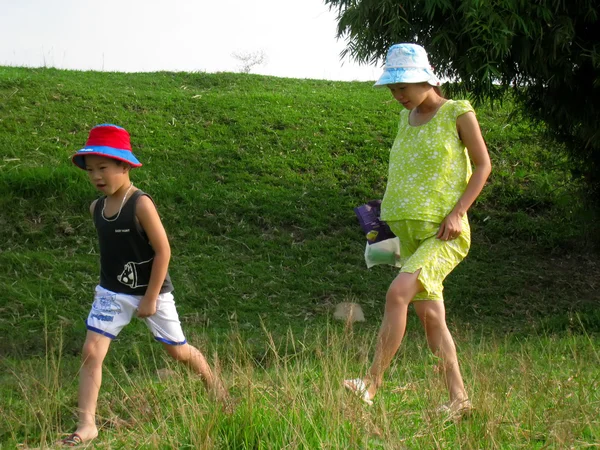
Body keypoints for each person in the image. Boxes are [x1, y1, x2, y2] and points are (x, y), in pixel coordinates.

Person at [344, 43, 492, 417]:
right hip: (408, 233)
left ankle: (371, 384)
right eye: (393, 89)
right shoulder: (404, 120)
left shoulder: (457, 112)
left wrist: (459, 212)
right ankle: (460, 400)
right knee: (431, 318)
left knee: (397, 295)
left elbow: (482, 166)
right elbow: (408, 174)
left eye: (403, 86)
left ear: (426, 77)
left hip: (444, 235)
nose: (398, 95)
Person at [60, 124, 228, 446]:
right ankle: (87, 424)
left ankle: (214, 385)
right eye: (91, 170)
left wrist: (150, 297)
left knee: (177, 350)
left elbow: (163, 251)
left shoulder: (140, 204)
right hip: (112, 291)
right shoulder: (96, 208)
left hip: (153, 291)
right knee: (91, 351)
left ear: (124, 166)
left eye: (103, 168)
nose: (97, 176)